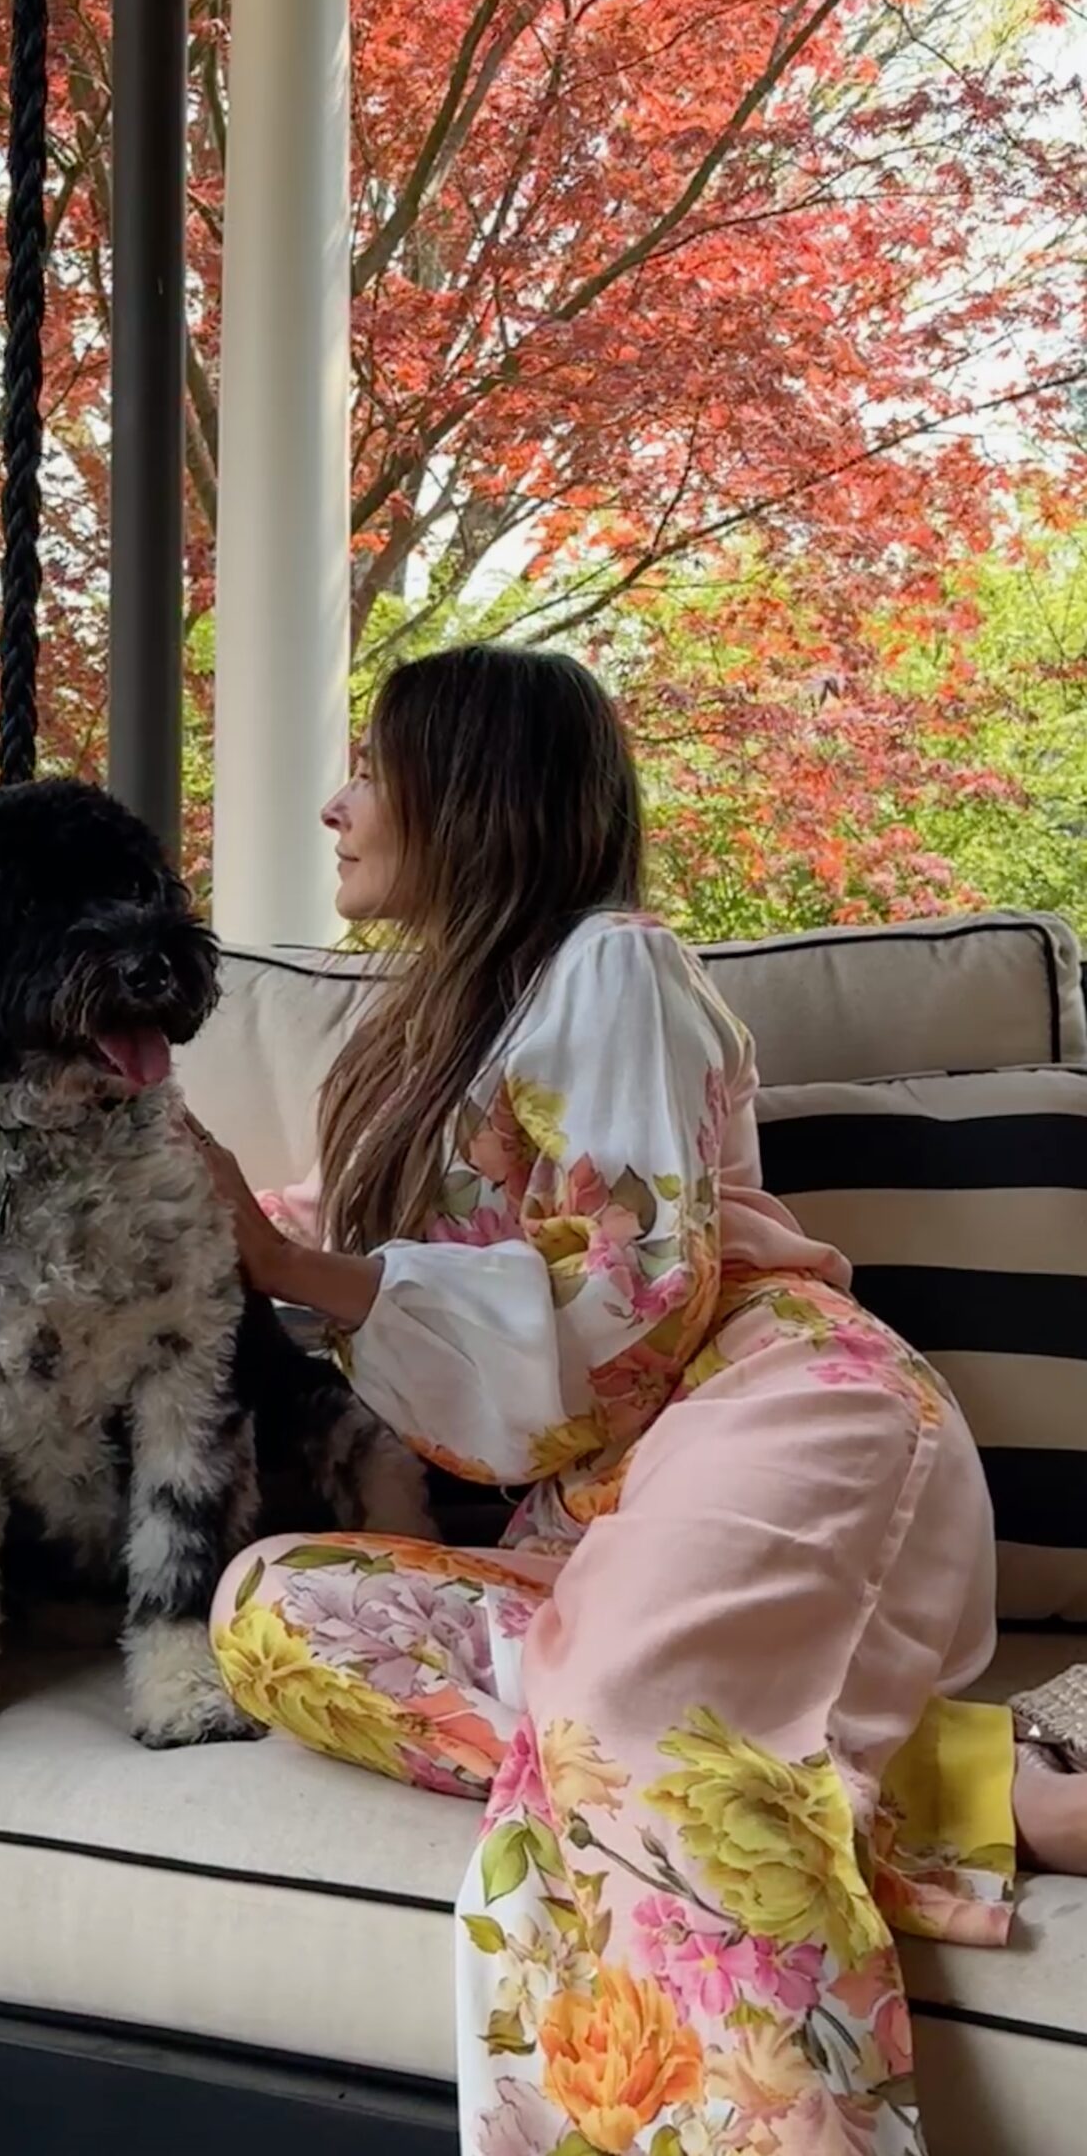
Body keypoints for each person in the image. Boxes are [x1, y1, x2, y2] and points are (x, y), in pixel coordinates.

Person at [186, 644, 1087, 2156]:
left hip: (777, 1408)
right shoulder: (437, 1040)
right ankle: (972, 1781)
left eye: (370, 770)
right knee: (272, 1610)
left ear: (474, 794)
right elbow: (359, 1265)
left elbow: (638, 1305)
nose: (335, 808)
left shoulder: (613, 963)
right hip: (597, 1505)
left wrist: (300, 1265)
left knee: (620, 1712)